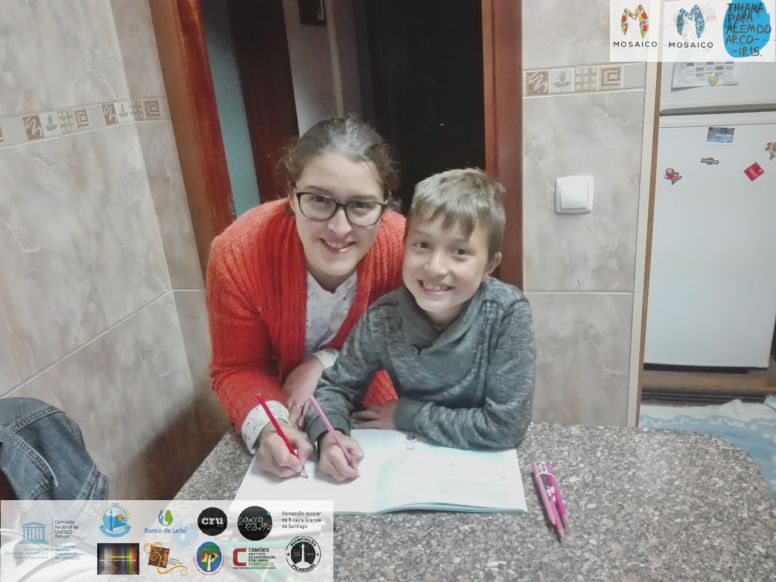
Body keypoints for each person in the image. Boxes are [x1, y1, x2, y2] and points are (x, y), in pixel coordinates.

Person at [206, 116, 405, 478]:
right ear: (291, 195)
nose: (339, 228)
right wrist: (270, 429)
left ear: (385, 206)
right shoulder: (237, 254)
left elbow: (414, 347)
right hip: (284, 410)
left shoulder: (405, 250)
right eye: (318, 200)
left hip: (378, 422)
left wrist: (324, 361)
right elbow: (238, 367)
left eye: (361, 205)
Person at [307, 168, 536, 482]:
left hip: (485, 475)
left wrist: (408, 414)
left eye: (460, 252)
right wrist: (329, 437)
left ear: (489, 265)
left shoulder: (507, 315)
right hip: (408, 468)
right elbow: (335, 388)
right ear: (404, 245)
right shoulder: (383, 318)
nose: (435, 267)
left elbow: (505, 427)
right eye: (422, 245)